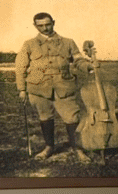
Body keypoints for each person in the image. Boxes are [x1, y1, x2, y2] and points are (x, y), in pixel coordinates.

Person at [15, 12, 92, 163]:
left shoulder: (68, 42)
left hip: (64, 86)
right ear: (35, 26)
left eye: (47, 24)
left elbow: (78, 60)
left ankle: (77, 148)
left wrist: (88, 66)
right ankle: (49, 147)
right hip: (38, 88)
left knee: (72, 118)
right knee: (45, 118)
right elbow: (20, 66)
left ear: (53, 22)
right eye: (40, 26)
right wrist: (22, 89)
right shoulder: (29, 44)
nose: (45, 28)